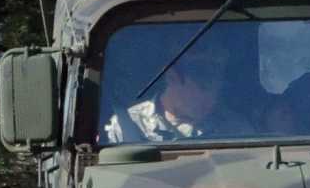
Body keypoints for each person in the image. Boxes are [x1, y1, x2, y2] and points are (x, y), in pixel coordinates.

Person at [106, 44, 255, 142]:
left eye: (217, 87)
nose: (211, 98)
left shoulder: (235, 129)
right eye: (203, 86)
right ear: (172, 77)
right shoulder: (128, 126)